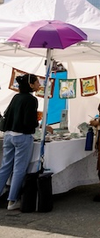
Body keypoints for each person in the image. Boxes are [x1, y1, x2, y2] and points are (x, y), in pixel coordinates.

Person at [0, 74, 44, 211]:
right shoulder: (31, 100)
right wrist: (39, 125)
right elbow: (28, 121)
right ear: (31, 85)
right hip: (23, 137)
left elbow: (7, 114)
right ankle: (12, 201)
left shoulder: (16, 97)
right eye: (37, 82)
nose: (39, 84)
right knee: (19, 169)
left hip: (8, 135)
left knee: (5, 167)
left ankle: (6, 196)